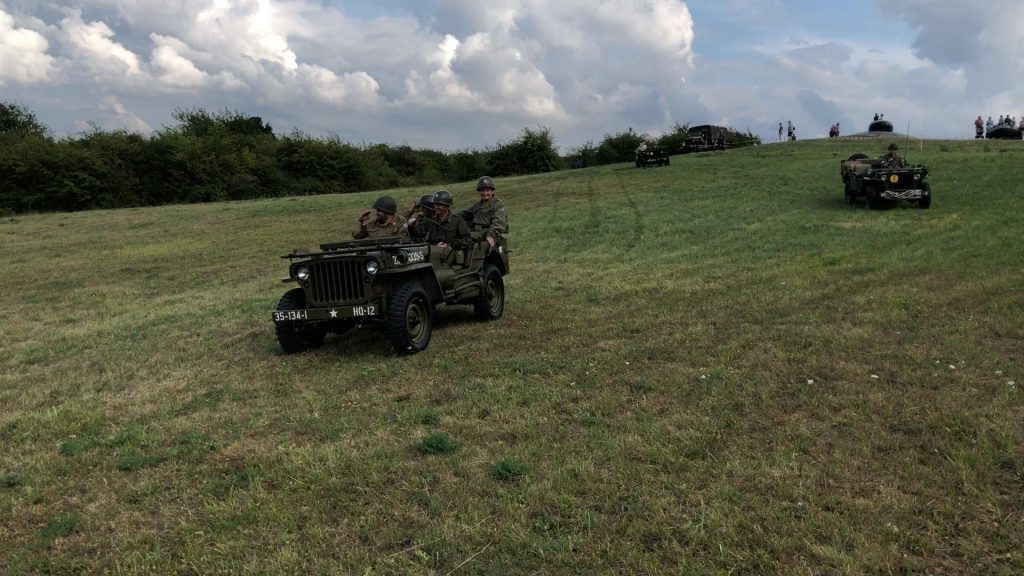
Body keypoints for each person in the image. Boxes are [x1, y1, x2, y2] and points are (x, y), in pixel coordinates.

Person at [408, 189, 471, 264]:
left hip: (448, 253)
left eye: (439, 205)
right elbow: (418, 234)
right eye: (435, 204)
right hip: (432, 251)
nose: (436, 207)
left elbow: (467, 240)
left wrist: (449, 244)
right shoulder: (431, 220)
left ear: (447, 206)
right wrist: (412, 226)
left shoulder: (457, 220)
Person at [461, 176, 509, 250]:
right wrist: (450, 216)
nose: (485, 193)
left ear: (492, 191)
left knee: (464, 237)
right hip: (475, 232)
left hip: (486, 233)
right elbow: (464, 214)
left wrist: (490, 235)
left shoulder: (498, 205)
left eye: (487, 190)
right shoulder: (478, 205)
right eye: (482, 191)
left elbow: (498, 223)